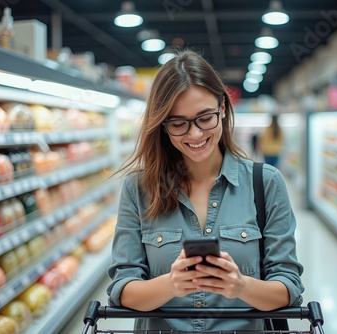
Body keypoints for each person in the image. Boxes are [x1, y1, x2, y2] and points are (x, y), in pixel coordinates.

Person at [106, 50, 304, 331]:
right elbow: (122, 289)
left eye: (205, 117)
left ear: (222, 108)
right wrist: (170, 284)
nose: (195, 134)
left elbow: (289, 288)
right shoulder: (138, 189)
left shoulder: (266, 183)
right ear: (162, 126)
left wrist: (241, 286)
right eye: (178, 123)